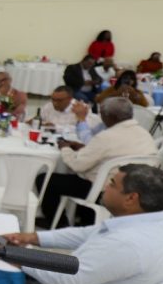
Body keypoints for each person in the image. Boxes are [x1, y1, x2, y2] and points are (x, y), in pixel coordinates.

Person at [5, 164, 163, 284]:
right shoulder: (154, 224)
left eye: (112, 184)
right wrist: (32, 238)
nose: (105, 187)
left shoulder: (128, 243)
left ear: (131, 198)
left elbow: (70, 280)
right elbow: (87, 233)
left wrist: (17, 258)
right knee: (17, 272)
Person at [41, 97, 157, 226]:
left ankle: (58, 224)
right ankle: (85, 220)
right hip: (136, 190)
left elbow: (77, 165)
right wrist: (84, 148)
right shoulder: (144, 134)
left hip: (106, 190)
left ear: (108, 116)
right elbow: (111, 153)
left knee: (46, 180)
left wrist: (65, 148)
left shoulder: (107, 136)